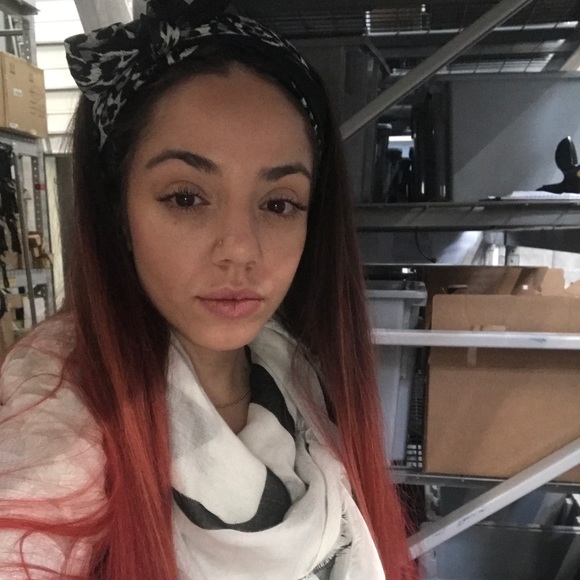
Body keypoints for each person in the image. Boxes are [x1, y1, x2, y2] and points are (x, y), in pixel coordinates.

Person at [0, 1, 418, 578]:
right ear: (119, 211)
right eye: (186, 197)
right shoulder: (58, 406)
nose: (240, 249)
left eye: (279, 204)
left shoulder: (295, 369)